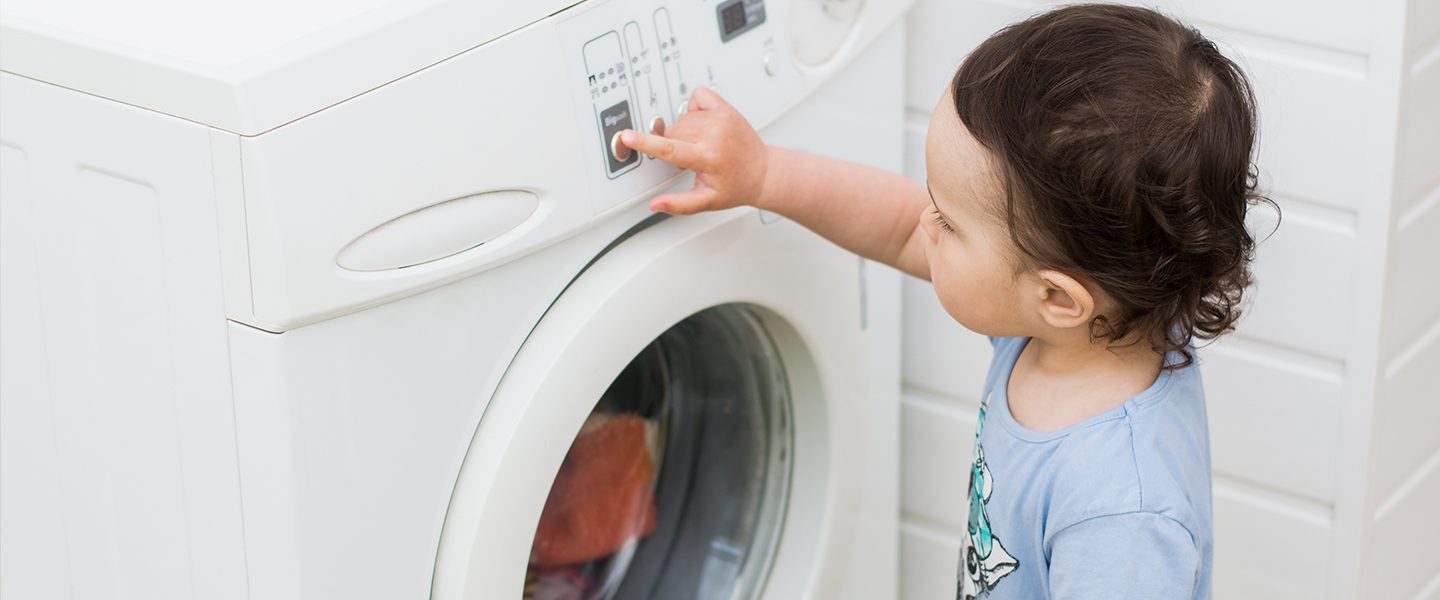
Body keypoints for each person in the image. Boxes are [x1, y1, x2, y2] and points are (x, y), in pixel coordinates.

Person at [620, 3, 1269, 599]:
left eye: (950, 223)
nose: (924, 221)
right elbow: (899, 223)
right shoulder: (1094, 318)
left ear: (1056, 296)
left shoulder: (1122, 513)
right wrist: (763, 173)